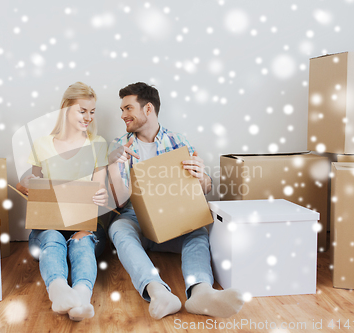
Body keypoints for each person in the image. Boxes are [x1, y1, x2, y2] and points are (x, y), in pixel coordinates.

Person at [107, 82, 244, 320]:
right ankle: (158, 291)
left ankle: (201, 292)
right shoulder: (120, 146)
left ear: (148, 109)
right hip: (136, 219)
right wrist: (114, 167)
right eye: (122, 110)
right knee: (118, 228)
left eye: (128, 108)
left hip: (171, 219)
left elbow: (205, 188)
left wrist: (202, 177)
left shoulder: (178, 141)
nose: (122, 115)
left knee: (198, 232)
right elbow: (118, 203)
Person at [16, 82, 109, 321]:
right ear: (66, 109)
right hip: (47, 229)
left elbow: (99, 190)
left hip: (83, 226)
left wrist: (101, 197)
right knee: (52, 237)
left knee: (83, 243)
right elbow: (30, 183)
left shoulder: (97, 144)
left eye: (92, 111)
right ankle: (58, 293)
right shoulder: (42, 145)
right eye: (82, 110)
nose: (88, 117)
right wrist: (26, 184)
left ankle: (81, 298)